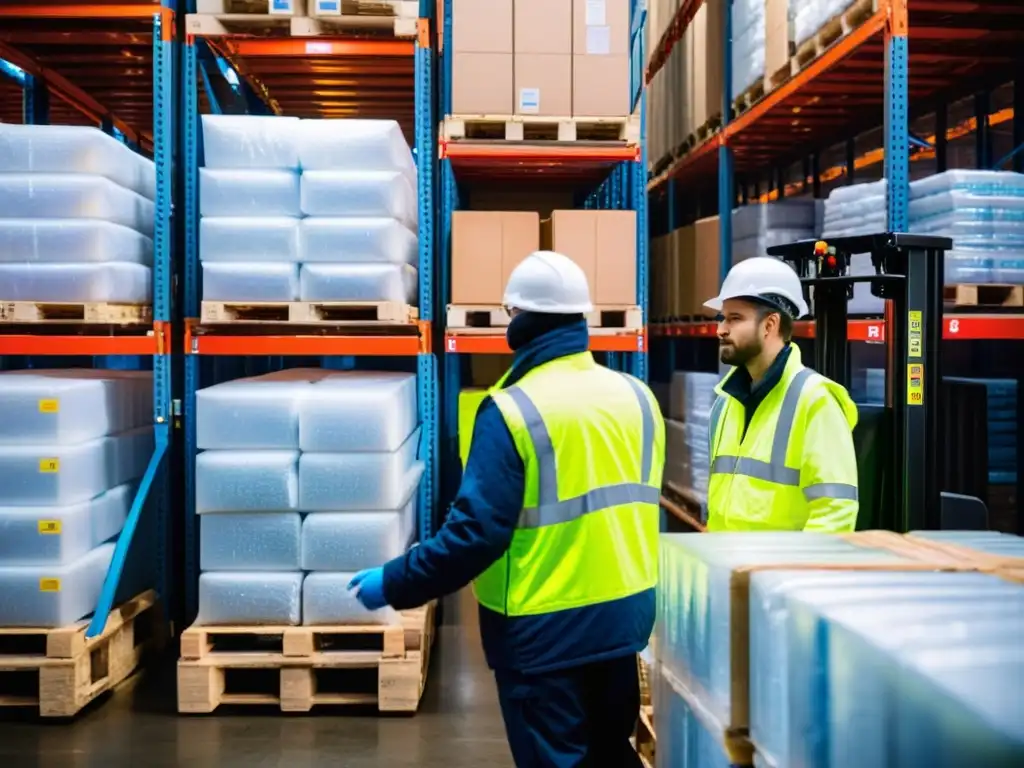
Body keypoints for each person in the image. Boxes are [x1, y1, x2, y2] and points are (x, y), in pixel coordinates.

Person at [349, 250, 664, 767]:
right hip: (624, 622)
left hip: (545, 634)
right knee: (611, 754)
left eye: (511, 313)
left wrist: (396, 582)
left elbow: (475, 536)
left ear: (525, 321)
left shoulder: (513, 409)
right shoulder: (636, 396)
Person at [703, 255, 860, 532]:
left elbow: (835, 512)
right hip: (730, 572)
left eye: (734, 318)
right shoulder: (725, 403)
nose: (721, 330)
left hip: (781, 573)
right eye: (722, 318)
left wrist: (790, 576)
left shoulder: (815, 400)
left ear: (769, 325)